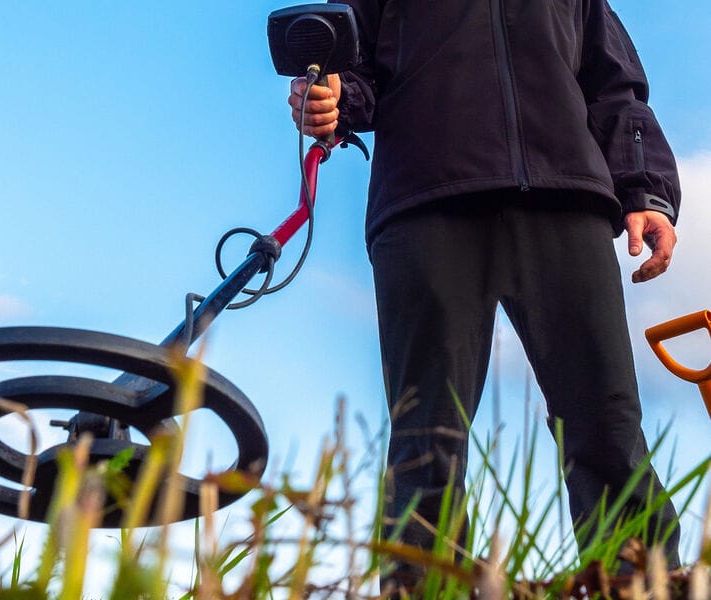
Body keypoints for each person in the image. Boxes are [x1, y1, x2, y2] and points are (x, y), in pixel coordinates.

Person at [288, 0, 681, 593]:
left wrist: (646, 190)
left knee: (607, 424)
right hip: (427, 206)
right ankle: (424, 587)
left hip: (565, 199)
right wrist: (331, 99)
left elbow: (615, 85)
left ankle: (641, 586)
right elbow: (355, 73)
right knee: (427, 436)